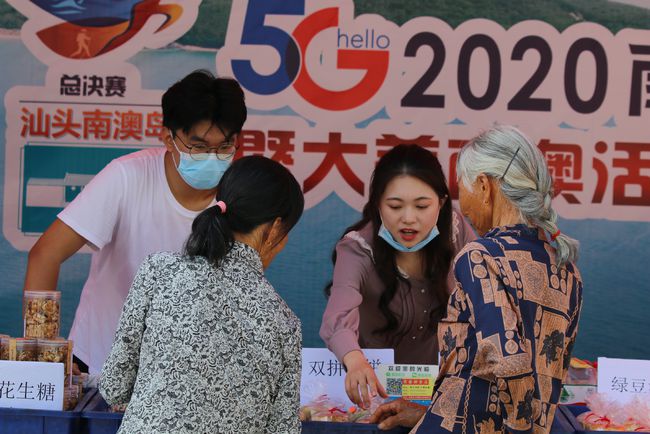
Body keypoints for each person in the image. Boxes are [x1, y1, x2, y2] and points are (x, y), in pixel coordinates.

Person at [22, 70, 247, 374]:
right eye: (199, 147)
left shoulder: (242, 194)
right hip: (99, 363)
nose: (213, 158)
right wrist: (41, 356)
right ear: (168, 138)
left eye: (225, 147)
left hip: (185, 379)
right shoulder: (126, 177)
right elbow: (45, 254)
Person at [370, 125, 583, 433]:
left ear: (484, 186)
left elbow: (507, 360)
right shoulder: (567, 268)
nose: (463, 206)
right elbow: (531, 378)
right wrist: (429, 414)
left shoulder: (481, 256)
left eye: (462, 188)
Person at [100, 155, 304, 434]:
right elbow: (283, 429)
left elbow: (114, 387)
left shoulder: (159, 271)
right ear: (276, 228)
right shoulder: (284, 322)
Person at [319, 144, 476, 408]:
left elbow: (485, 293)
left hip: (439, 390)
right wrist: (354, 359)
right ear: (377, 204)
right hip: (375, 389)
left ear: (441, 203)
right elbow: (337, 316)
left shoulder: (456, 231)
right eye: (395, 206)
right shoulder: (358, 248)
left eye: (422, 206)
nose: (408, 218)